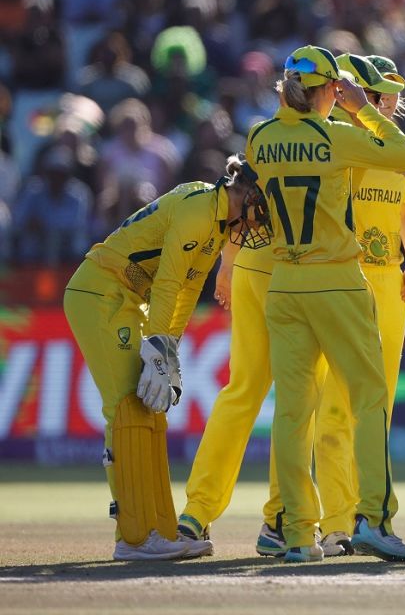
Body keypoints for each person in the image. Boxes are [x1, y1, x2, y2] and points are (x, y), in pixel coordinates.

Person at [181, 50, 405, 557]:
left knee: (288, 409)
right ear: (332, 91)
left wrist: (228, 259)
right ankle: (370, 520)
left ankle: (292, 530)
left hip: (280, 277)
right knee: (367, 400)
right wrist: (363, 110)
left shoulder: (260, 136)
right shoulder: (340, 136)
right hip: (333, 278)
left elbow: (244, 195)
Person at [63, 155, 271, 560]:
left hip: (126, 300)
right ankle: (134, 536)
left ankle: (157, 527)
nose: (262, 218)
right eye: (262, 204)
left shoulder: (218, 225)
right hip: (100, 292)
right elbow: (168, 282)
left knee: (148, 410)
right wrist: (158, 347)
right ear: (245, 191)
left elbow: (187, 292)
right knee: (126, 409)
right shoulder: (199, 209)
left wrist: (169, 348)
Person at [305, 53, 405, 555]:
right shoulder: (337, 141)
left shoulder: (391, 146)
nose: (389, 101)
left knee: (376, 408)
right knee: (335, 410)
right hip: (345, 279)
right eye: (380, 92)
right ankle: (337, 523)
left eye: (390, 94)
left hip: (389, 284)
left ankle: (367, 517)